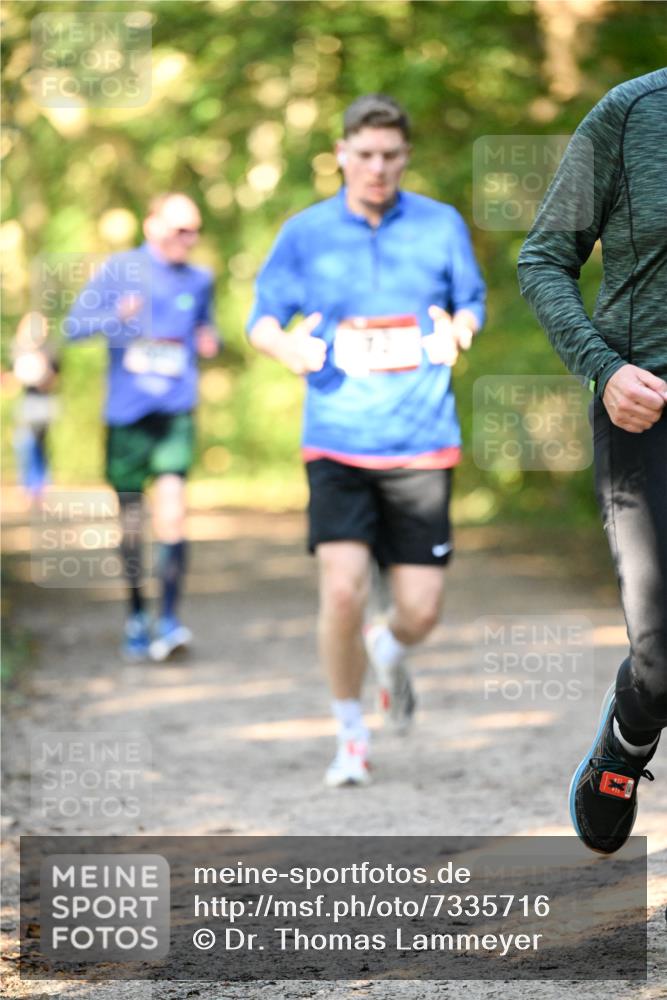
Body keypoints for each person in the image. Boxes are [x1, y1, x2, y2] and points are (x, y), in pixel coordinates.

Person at [248, 95, 486, 787]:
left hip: (420, 442)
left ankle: (388, 648)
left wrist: (458, 331)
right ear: (342, 155)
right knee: (344, 589)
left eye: (390, 156)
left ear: (404, 158)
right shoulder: (305, 233)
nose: (377, 167)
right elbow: (261, 319)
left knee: (420, 609)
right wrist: (286, 348)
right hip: (337, 440)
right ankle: (350, 734)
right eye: (365, 155)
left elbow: (470, 302)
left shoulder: (439, 226)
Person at [518, 68, 667, 853]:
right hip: (645, 410)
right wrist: (602, 369)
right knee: (661, 658)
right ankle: (625, 741)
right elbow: (543, 258)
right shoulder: (632, 113)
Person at [66, 193, 220, 662]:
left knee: (173, 514)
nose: (187, 240)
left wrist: (209, 339)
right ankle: (137, 616)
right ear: (151, 225)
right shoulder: (120, 270)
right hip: (128, 414)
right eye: (178, 230)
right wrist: (118, 318)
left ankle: (169, 620)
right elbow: (74, 327)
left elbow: (205, 329)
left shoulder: (201, 277)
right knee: (131, 522)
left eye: (193, 230)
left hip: (175, 411)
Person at [11, 311, 59, 502]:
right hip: (27, 401)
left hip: (43, 402)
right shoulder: (20, 347)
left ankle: (40, 485)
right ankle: (30, 485)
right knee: (25, 442)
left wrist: (43, 372)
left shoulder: (50, 348)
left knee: (38, 442)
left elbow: (55, 377)